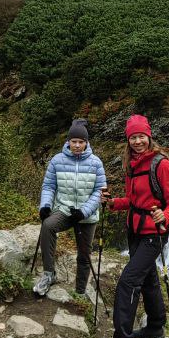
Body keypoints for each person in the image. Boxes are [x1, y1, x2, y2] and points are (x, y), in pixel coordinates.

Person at [100, 113, 169, 338]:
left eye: (141, 136)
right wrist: (114, 204)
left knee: (127, 283)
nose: (137, 141)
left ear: (149, 136)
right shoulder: (131, 164)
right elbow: (134, 201)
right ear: (128, 139)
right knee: (148, 279)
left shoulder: (162, 164)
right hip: (134, 230)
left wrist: (164, 216)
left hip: (153, 234)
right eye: (133, 137)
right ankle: (156, 326)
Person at [33, 119, 106, 298]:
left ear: (86, 143)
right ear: (68, 141)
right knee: (48, 226)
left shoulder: (96, 163)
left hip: (86, 215)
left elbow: (100, 191)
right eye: (74, 141)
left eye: (81, 142)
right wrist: (45, 206)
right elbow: (49, 186)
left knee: (84, 254)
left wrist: (83, 211)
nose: (77, 145)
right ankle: (49, 274)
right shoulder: (57, 160)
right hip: (64, 209)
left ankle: (80, 291)